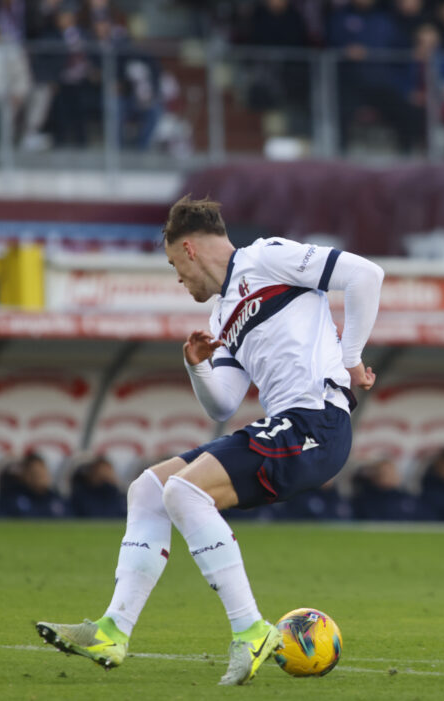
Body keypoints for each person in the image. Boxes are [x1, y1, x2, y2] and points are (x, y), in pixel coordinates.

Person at [36, 195, 383, 686]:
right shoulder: (223, 316)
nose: (178, 278)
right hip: (285, 424)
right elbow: (222, 405)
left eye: (175, 264)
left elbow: (366, 276)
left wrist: (351, 359)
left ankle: (251, 630)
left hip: (317, 423)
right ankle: (113, 630)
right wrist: (196, 364)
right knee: (150, 488)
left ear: (190, 249)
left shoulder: (267, 256)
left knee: (184, 490)